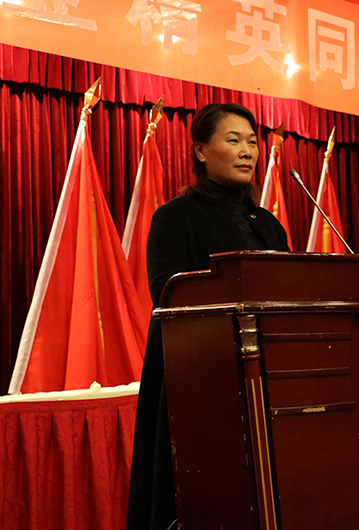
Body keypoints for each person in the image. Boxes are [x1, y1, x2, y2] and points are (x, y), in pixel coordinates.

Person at [126, 103, 290, 530]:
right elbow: (168, 292)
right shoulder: (175, 217)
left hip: (269, 377)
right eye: (233, 140)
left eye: (252, 142)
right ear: (201, 150)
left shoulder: (268, 225)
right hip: (200, 377)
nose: (248, 151)